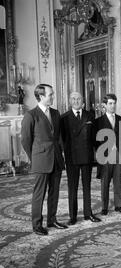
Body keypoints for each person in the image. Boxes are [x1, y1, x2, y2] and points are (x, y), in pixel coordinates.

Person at [21, 84, 67, 236]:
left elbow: (58, 136)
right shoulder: (31, 115)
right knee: (39, 194)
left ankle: (52, 219)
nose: (53, 97)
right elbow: (26, 141)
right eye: (50, 95)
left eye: (52, 94)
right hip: (41, 160)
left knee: (54, 192)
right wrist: (34, 157)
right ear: (41, 96)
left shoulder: (55, 113)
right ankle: (37, 225)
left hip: (56, 159)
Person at [60, 92, 101, 225]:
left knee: (87, 186)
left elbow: (94, 136)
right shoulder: (64, 117)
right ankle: (73, 216)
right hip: (72, 157)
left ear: (82, 101)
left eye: (78, 99)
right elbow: (63, 139)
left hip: (87, 156)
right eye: (73, 99)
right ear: (70, 101)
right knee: (73, 187)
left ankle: (88, 214)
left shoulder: (90, 115)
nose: (76, 101)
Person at [94, 94, 121, 216]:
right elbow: (95, 142)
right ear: (104, 105)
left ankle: (119, 205)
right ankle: (104, 207)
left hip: (118, 156)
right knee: (105, 183)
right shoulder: (98, 122)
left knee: (118, 182)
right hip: (105, 157)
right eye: (110, 103)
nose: (112, 106)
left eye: (114, 103)